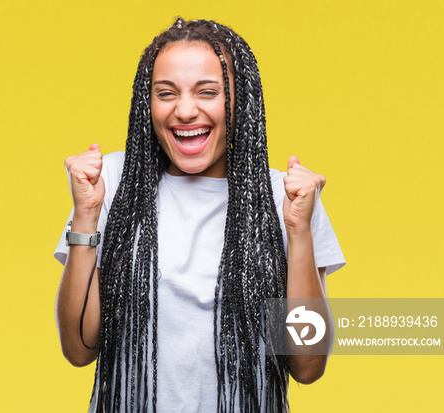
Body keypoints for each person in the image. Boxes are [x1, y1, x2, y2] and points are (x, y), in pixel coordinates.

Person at [53, 17, 345, 412]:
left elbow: (308, 364)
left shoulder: (286, 196)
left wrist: (298, 232)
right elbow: (78, 348)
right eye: (166, 93)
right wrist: (86, 217)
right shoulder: (113, 183)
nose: (185, 110)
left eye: (208, 92)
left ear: (241, 100)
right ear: (147, 102)